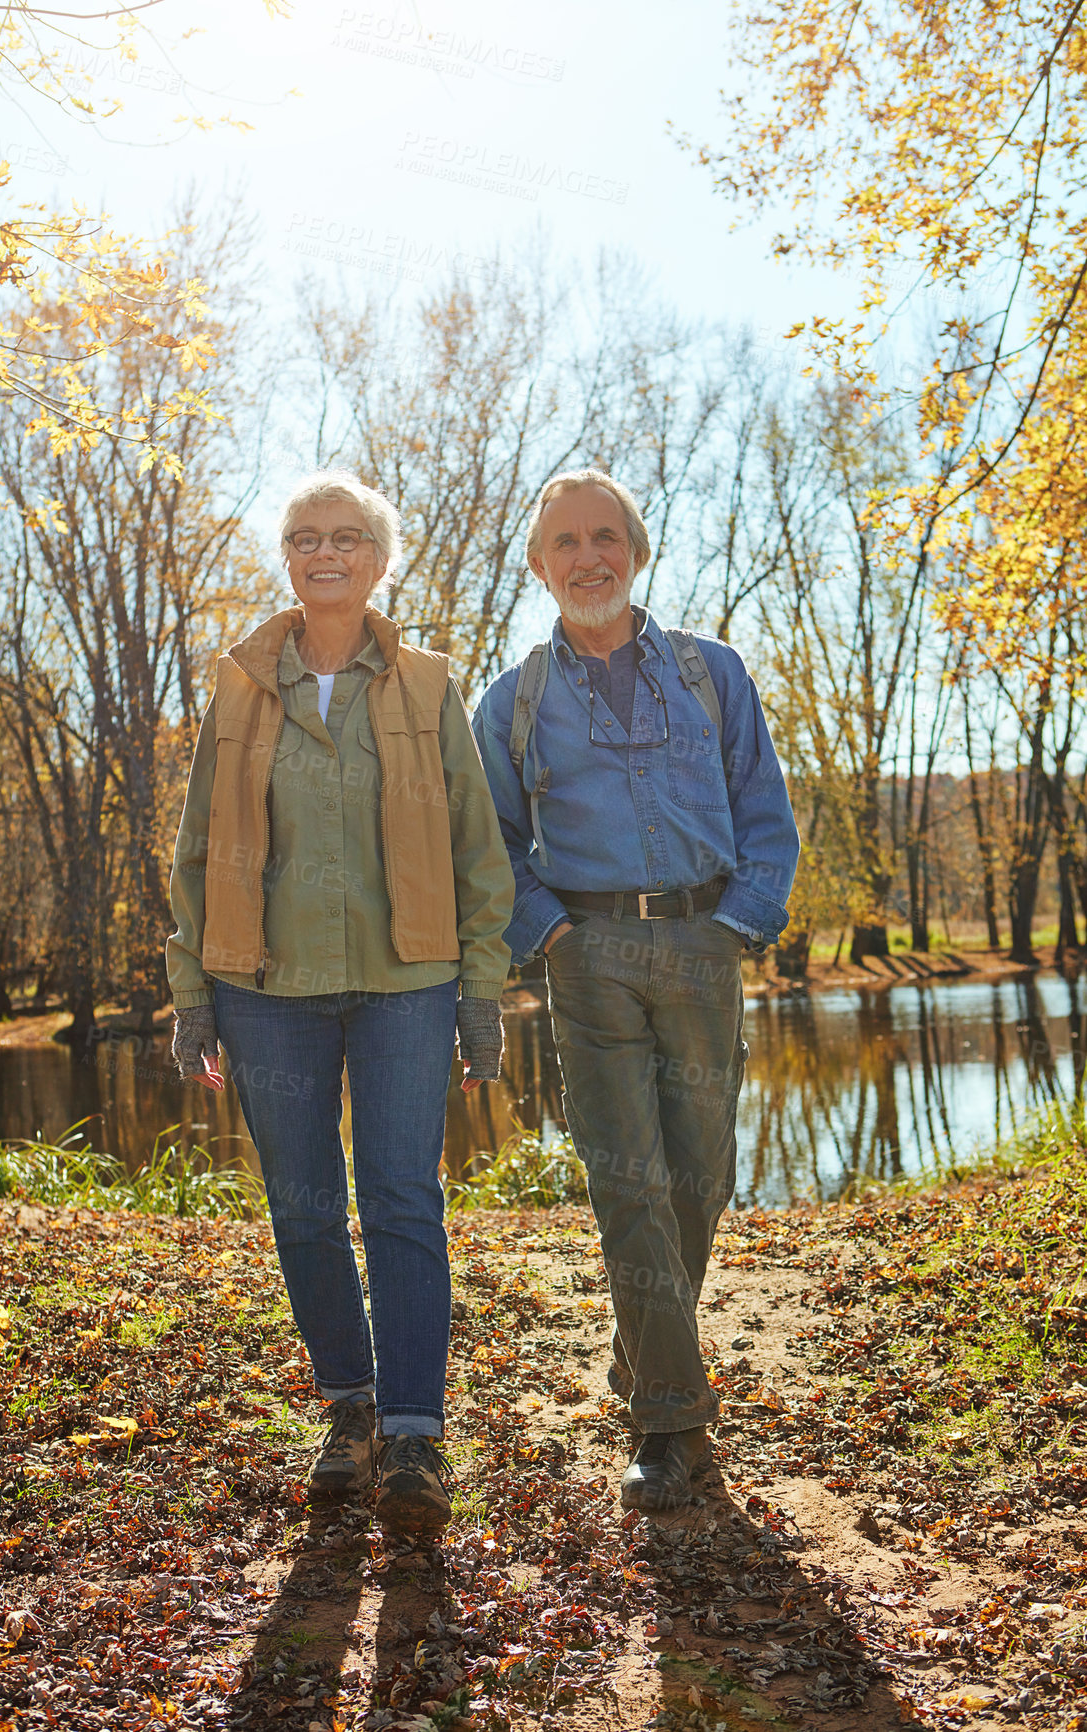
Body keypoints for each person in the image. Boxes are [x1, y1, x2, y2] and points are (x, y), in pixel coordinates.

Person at [167, 470, 515, 1539]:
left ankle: (413, 1432)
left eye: (348, 536)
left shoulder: (427, 683)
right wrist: (192, 997)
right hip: (264, 987)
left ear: (379, 558)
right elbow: (193, 853)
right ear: (287, 558)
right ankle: (347, 1409)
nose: (326, 552)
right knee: (303, 1207)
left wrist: (481, 992)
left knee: (403, 1195)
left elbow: (475, 845)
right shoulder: (238, 686)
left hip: (409, 982)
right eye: (306, 537)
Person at [473, 470, 799, 1512]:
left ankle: (640, 1352)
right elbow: (484, 841)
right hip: (589, 956)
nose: (586, 556)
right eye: (563, 541)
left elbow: (765, 810)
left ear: (636, 549)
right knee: (627, 1185)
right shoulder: (511, 699)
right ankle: (669, 1423)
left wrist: (736, 923)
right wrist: (551, 934)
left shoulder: (712, 674)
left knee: (697, 1179)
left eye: (603, 535)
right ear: (538, 565)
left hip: (702, 943)